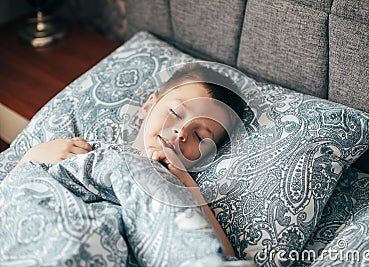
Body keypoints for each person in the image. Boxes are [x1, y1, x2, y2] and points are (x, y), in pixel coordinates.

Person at [13, 63, 246, 257]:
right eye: (175, 113)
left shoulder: (181, 191)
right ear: (147, 106)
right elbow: (16, 193)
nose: (181, 133)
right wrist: (31, 156)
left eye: (199, 136)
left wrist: (187, 185)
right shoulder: (85, 151)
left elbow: (220, 256)